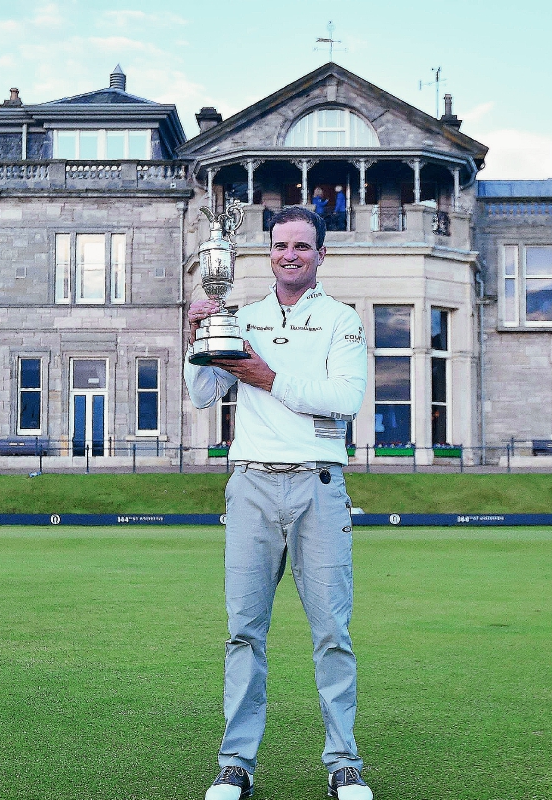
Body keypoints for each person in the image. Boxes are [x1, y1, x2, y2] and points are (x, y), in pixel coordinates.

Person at [185, 206, 372, 800]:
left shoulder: (343, 321)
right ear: (268, 253)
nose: (290, 254)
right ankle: (235, 764)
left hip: (319, 485)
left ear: (321, 255)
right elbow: (202, 394)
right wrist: (199, 336)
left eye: (302, 245)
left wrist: (267, 378)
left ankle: (343, 763)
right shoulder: (242, 317)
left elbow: (343, 400)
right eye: (280, 245)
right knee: (244, 631)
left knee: (332, 634)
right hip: (251, 485)